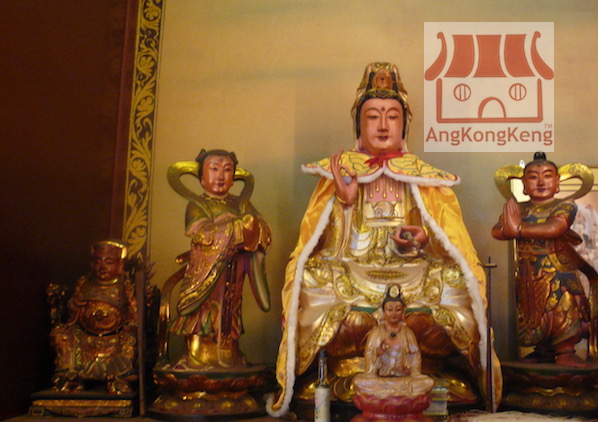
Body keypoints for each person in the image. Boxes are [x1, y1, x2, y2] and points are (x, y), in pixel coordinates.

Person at [269, 62, 500, 416]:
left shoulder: (420, 177)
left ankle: (426, 370)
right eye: (373, 116)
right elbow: (325, 248)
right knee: (315, 276)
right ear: (358, 125)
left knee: (453, 278)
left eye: (392, 116)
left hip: (410, 276)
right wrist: (345, 204)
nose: (382, 125)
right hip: (354, 273)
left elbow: (446, 243)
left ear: (404, 125)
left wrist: (422, 239)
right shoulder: (340, 172)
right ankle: (347, 370)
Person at [167, 149, 271, 369]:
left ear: (234, 178)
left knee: (230, 312)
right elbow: (202, 234)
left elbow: (262, 229)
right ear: (202, 178)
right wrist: (238, 228)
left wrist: (254, 228)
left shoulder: (241, 204)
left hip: (235, 273)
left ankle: (230, 355)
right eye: (214, 169)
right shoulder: (198, 205)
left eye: (227, 170)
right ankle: (198, 356)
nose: (221, 176)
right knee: (205, 315)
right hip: (208, 275)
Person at [492, 152, 596, 368]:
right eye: (533, 177)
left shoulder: (564, 206)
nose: (540, 182)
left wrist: (518, 229)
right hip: (528, 271)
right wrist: (508, 229)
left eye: (547, 176)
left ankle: (566, 351)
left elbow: (554, 228)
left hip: (557, 268)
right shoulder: (520, 208)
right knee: (533, 310)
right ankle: (543, 350)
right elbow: (497, 230)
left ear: (557, 183)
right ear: (523, 185)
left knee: (562, 305)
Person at [50, 241, 137, 394]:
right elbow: (72, 316)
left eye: (109, 262)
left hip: (115, 337)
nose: (102, 267)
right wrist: (75, 306)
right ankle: (70, 377)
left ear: (120, 265)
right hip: (85, 336)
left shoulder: (125, 287)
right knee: (60, 335)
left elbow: (134, 316)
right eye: (97, 262)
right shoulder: (84, 284)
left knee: (129, 340)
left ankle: (117, 378)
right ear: (91, 264)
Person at [353, 284, 434, 398]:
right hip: (381, 380)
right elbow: (369, 359)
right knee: (359, 381)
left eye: (398, 310)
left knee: (427, 382)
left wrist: (413, 371)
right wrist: (378, 353)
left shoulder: (408, 333)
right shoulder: (376, 333)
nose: (394, 313)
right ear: (383, 311)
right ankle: (400, 394)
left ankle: (385, 394)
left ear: (403, 312)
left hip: (404, 380)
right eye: (389, 310)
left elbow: (415, 357)